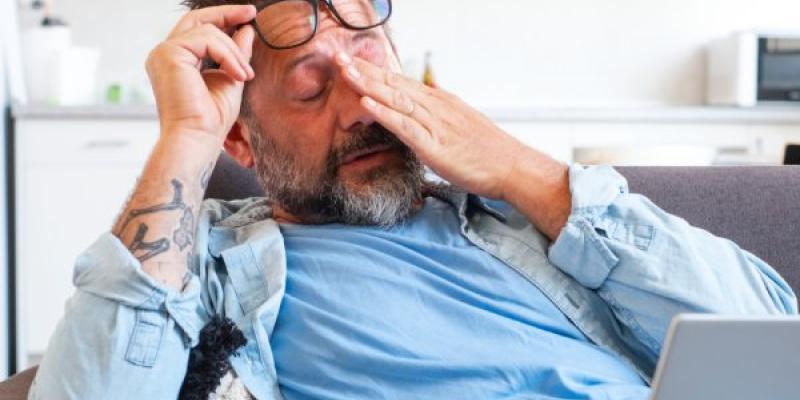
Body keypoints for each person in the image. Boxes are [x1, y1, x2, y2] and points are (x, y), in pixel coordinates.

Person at [29, 1, 797, 399]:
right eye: (311, 86)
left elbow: (772, 340)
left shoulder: (518, 220)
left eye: (371, 64)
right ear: (241, 142)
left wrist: (522, 171)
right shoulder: (211, 273)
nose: (362, 104)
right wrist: (184, 142)